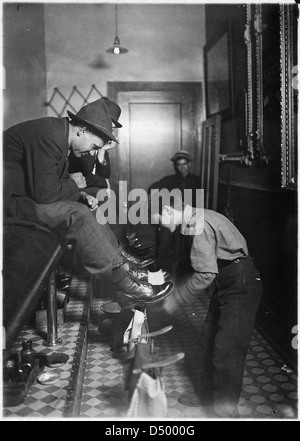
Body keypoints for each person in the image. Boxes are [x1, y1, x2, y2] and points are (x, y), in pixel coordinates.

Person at [3, 98, 173, 305]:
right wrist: (75, 186)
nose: (91, 152)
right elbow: (45, 194)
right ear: (82, 130)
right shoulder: (49, 137)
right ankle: (126, 284)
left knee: (86, 205)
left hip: (22, 196)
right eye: (93, 146)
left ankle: (127, 268)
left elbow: (54, 182)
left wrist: (81, 194)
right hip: (9, 203)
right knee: (79, 214)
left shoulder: (59, 134)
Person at [151, 195, 263, 418]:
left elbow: (204, 275)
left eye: (158, 219)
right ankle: (206, 395)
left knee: (226, 349)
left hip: (239, 282)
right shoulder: (198, 216)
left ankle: (225, 412)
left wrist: (174, 300)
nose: (159, 225)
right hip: (228, 276)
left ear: (167, 209)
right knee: (209, 338)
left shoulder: (197, 224)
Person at [148, 150, 201, 272]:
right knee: (164, 247)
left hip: (189, 221)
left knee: (188, 251)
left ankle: (181, 282)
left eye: (185, 164)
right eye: (179, 165)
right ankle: (157, 281)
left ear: (190, 164)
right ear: (176, 166)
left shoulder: (198, 181)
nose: (183, 168)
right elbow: (154, 191)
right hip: (171, 220)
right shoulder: (168, 180)